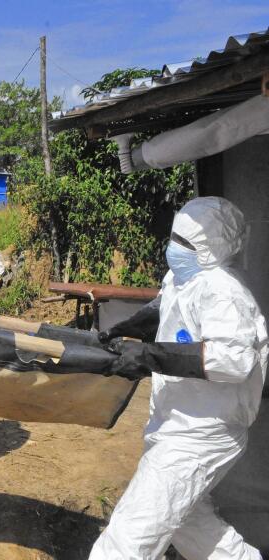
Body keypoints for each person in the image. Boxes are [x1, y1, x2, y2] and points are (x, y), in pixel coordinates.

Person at [92, 197, 267, 559]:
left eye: (186, 243)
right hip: (175, 422)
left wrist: (148, 357)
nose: (174, 248)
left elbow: (233, 360)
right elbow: (165, 307)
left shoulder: (225, 292)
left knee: (127, 540)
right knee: (193, 529)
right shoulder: (182, 277)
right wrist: (125, 329)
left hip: (202, 434)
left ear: (212, 249)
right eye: (174, 237)